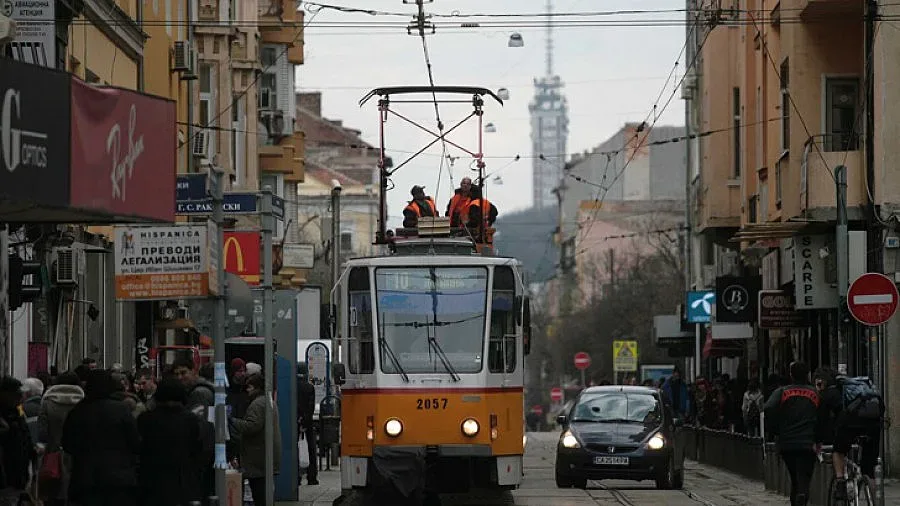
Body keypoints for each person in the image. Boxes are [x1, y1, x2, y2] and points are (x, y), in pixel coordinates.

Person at [62, 369, 140, 506]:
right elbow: (135, 441)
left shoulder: (78, 412)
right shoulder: (121, 410)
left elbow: (68, 444)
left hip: (85, 477)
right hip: (118, 476)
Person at [817, 367, 883, 501]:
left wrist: (819, 440)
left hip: (849, 424)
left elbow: (821, 421)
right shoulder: (860, 390)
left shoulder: (829, 393)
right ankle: (872, 490)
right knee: (868, 468)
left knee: (838, 451)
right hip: (873, 424)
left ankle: (840, 483)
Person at [764, 361, 819, 506]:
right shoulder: (815, 393)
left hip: (787, 442)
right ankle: (801, 496)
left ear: (791, 375)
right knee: (804, 477)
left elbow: (768, 408)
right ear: (808, 375)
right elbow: (823, 416)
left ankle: (797, 498)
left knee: (795, 476)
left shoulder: (782, 392)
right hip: (808, 442)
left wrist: (776, 429)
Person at [0, 377, 35, 506]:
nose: (20, 396)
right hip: (7, 478)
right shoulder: (8, 417)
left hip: (18, 476)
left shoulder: (17, 413)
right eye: (17, 393)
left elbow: (24, 438)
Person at [297, 367, 318, 486]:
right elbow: (311, 407)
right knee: (311, 449)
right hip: (307, 422)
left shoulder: (293, 386)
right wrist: (305, 421)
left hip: (295, 421)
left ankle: (296, 477)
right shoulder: (309, 387)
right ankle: (312, 477)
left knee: (295, 448)